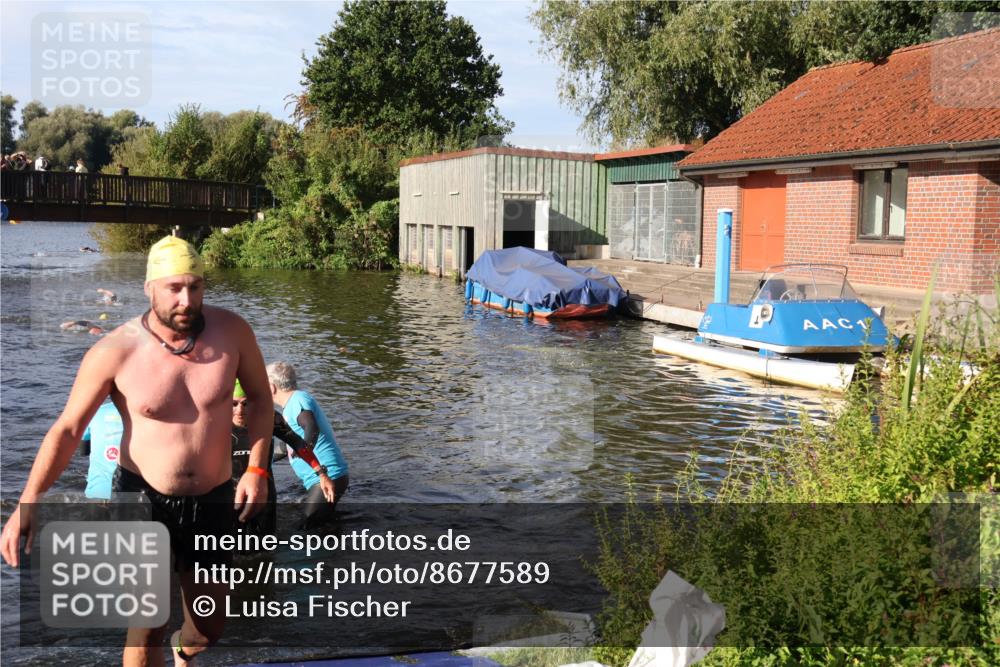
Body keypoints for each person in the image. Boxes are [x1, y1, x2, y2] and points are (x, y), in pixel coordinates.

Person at [1, 235, 273, 667]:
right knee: (145, 627)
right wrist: (29, 500)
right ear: (149, 288)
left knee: (209, 628)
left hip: (214, 498)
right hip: (141, 499)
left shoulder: (233, 332)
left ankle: (183, 652)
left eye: (196, 286)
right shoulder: (115, 350)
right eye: (174, 288)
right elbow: (68, 429)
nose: (187, 299)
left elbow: (259, 398)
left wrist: (257, 470)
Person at [230, 380, 336, 536]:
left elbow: (299, 445)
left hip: (264, 495)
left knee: (265, 549)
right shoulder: (217, 422)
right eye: (234, 404)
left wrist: (321, 474)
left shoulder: (268, 418)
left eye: (245, 404)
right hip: (230, 496)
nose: (240, 410)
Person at [267, 362, 349, 528]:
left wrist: (307, 449)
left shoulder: (297, 400)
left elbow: (310, 426)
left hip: (327, 476)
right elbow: (288, 446)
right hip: (325, 477)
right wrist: (264, 461)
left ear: (271, 387)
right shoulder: (292, 404)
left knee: (307, 528)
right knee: (323, 524)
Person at [78, 400, 124, 499]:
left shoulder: (95, 411)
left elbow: (83, 451)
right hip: (132, 495)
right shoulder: (148, 417)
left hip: (97, 493)